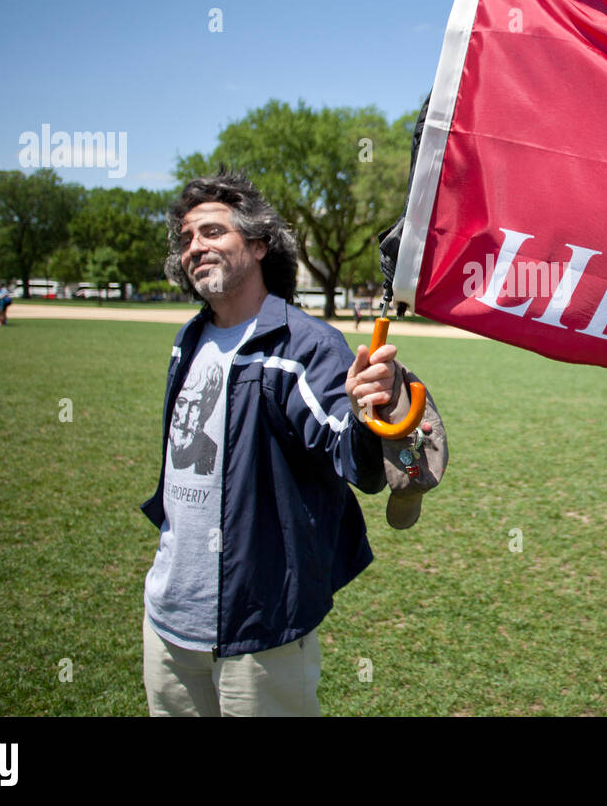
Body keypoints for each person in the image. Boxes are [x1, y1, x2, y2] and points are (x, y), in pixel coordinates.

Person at [140, 170, 447, 717]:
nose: (194, 248)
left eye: (212, 233)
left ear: (257, 244)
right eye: (187, 239)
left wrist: (364, 415)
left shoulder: (304, 345)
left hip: (261, 626)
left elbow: (353, 461)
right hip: (167, 619)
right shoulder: (188, 339)